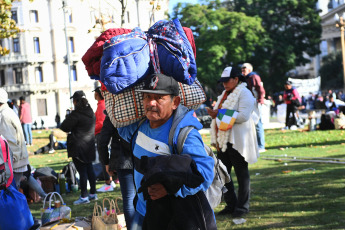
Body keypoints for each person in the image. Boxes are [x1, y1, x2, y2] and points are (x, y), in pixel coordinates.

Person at [118, 74, 216, 230]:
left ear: (175, 102)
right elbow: (117, 118)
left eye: (159, 98)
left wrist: (170, 188)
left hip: (174, 217)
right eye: (147, 97)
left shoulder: (184, 134)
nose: (151, 103)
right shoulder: (139, 127)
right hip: (144, 212)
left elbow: (204, 174)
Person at [206, 66, 259, 218]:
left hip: (238, 140)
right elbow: (222, 115)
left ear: (236, 79)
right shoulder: (225, 94)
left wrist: (219, 113)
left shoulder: (245, 92)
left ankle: (242, 207)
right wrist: (215, 114)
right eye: (222, 81)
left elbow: (243, 116)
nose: (224, 84)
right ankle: (231, 204)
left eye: (226, 81)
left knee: (242, 174)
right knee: (222, 174)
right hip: (223, 140)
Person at [98, 112, 135, 229]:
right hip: (141, 158)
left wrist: (106, 162)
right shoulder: (139, 109)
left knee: (129, 198)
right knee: (143, 197)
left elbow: (102, 142)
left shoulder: (114, 113)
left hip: (123, 160)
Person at [60, 90, 97, 205]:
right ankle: (93, 194)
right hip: (89, 145)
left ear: (76, 101)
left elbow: (64, 126)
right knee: (90, 169)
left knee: (82, 172)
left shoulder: (76, 114)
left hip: (78, 146)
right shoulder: (90, 111)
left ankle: (84, 196)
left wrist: (69, 115)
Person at [0, 88, 30, 189]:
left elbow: (9, 140)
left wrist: (12, 160)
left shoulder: (3, 115)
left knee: (11, 192)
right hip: (15, 160)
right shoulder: (7, 111)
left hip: (14, 162)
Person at [93, 87, 116, 192]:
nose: (94, 95)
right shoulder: (100, 105)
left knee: (104, 158)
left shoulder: (102, 105)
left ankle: (108, 182)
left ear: (98, 94)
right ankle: (110, 180)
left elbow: (102, 123)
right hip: (99, 133)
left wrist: (92, 129)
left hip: (101, 134)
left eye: (95, 93)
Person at [241, 63, 266, 152]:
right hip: (249, 102)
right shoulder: (245, 78)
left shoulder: (253, 76)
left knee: (257, 123)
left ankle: (261, 146)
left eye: (244, 69)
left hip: (256, 102)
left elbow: (260, 89)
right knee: (250, 124)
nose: (243, 71)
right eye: (242, 69)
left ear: (250, 70)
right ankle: (254, 145)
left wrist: (260, 100)